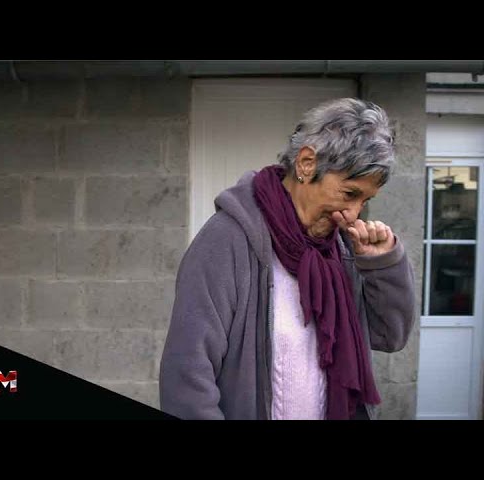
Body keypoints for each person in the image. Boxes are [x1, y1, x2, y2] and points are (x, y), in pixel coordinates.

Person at [159, 98, 415, 420]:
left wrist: (383, 265)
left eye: (365, 200)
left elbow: (389, 336)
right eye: (350, 193)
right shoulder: (227, 240)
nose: (353, 213)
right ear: (307, 163)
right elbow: (187, 375)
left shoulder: (343, 248)